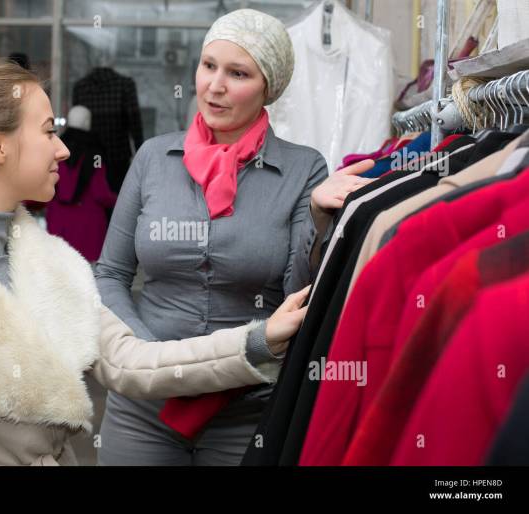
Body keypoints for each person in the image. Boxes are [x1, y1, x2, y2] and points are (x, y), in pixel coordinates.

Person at [0, 61, 311, 466]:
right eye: (49, 130)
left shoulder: (56, 267)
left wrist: (257, 341)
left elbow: (135, 364)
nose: (64, 148)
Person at [94, 8, 374, 466]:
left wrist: (318, 218)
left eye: (237, 73)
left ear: (269, 87)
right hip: (145, 405)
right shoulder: (152, 159)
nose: (214, 86)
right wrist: (147, 357)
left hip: (245, 409)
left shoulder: (304, 169)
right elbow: (111, 273)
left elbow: (296, 294)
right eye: (208, 66)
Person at [45, 105, 117, 262]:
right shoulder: (95, 153)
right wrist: (119, 199)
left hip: (59, 224)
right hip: (88, 229)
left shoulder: (54, 149)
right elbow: (100, 193)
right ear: (87, 122)